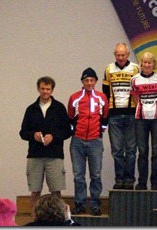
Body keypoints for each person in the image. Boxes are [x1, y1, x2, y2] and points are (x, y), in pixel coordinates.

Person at [19, 76, 71, 212]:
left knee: (56, 192)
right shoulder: (31, 109)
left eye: (48, 89)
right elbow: (23, 132)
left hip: (55, 156)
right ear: (38, 89)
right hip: (35, 155)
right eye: (42, 88)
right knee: (35, 192)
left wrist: (54, 136)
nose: (45, 92)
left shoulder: (59, 108)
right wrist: (33, 135)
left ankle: (59, 222)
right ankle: (35, 223)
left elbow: (67, 130)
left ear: (52, 90)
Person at [68, 67, 109, 216]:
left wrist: (99, 133)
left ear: (96, 81)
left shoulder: (102, 98)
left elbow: (105, 118)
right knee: (78, 175)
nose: (89, 83)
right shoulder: (74, 98)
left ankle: (95, 205)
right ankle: (79, 204)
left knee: (95, 175)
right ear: (82, 82)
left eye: (92, 80)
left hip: (95, 141)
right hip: (77, 141)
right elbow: (70, 118)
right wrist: (75, 133)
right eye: (86, 80)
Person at [102, 43, 139, 190]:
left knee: (130, 149)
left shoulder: (135, 68)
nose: (121, 57)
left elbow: (138, 89)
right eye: (118, 54)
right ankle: (119, 179)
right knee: (117, 149)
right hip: (114, 114)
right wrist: (105, 114)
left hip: (131, 113)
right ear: (114, 54)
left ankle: (129, 180)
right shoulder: (108, 69)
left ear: (128, 54)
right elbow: (105, 93)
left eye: (123, 55)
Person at [130, 52, 157, 190]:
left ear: (154, 64)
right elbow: (135, 98)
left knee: (156, 151)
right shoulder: (134, 80)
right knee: (142, 151)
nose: (146, 65)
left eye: (149, 62)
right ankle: (142, 182)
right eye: (144, 62)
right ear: (141, 63)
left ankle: (155, 183)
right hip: (141, 119)